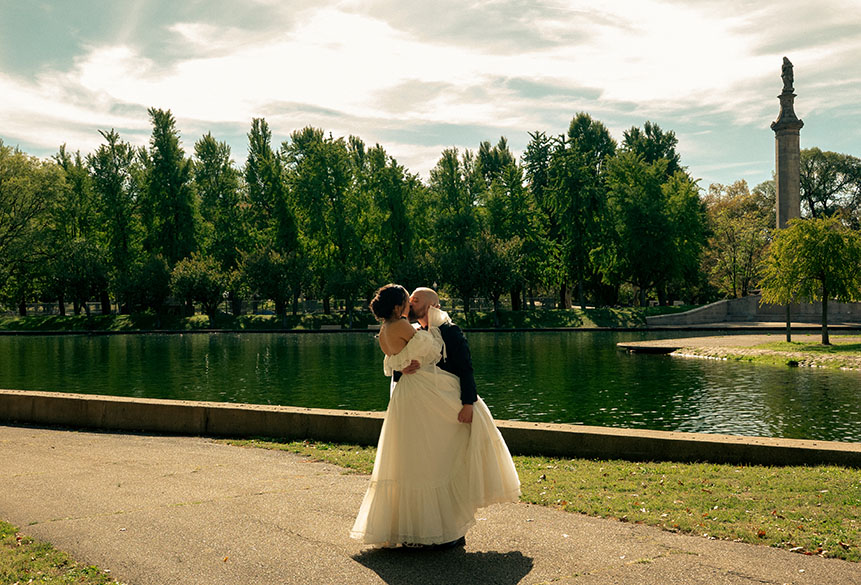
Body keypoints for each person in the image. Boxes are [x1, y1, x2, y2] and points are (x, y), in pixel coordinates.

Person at [350, 284, 520, 549]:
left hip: (428, 402)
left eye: (416, 299)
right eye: (408, 299)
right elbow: (406, 359)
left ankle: (442, 525)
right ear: (399, 307)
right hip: (421, 402)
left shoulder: (431, 330)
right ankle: (432, 530)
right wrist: (402, 366)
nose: (411, 302)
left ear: (430, 306)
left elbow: (464, 368)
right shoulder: (408, 328)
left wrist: (468, 402)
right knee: (424, 463)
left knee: (433, 461)